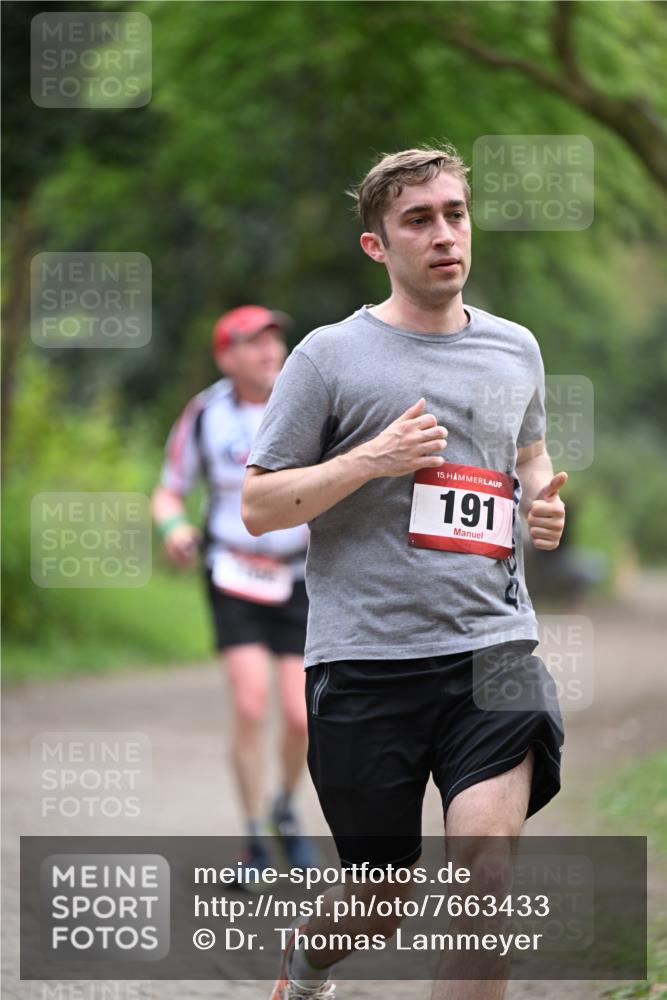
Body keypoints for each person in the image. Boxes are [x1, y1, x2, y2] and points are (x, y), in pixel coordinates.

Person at [241, 146, 567, 1000]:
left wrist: (539, 497)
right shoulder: (326, 358)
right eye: (417, 220)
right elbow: (260, 506)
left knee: (483, 880)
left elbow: (526, 451)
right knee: (383, 894)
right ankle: (308, 967)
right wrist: (371, 460)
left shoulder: (514, 348)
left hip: (492, 650)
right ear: (376, 246)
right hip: (365, 661)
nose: (443, 234)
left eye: (454, 214)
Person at [152, 305, 315, 874]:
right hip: (232, 573)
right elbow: (169, 491)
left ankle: (285, 812)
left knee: (300, 716)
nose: (270, 351)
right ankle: (251, 839)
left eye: (275, 339)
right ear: (226, 356)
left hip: (298, 575)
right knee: (249, 703)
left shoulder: (306, 401)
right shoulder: (204, 414)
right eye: (253, 343)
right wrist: (175, 529)